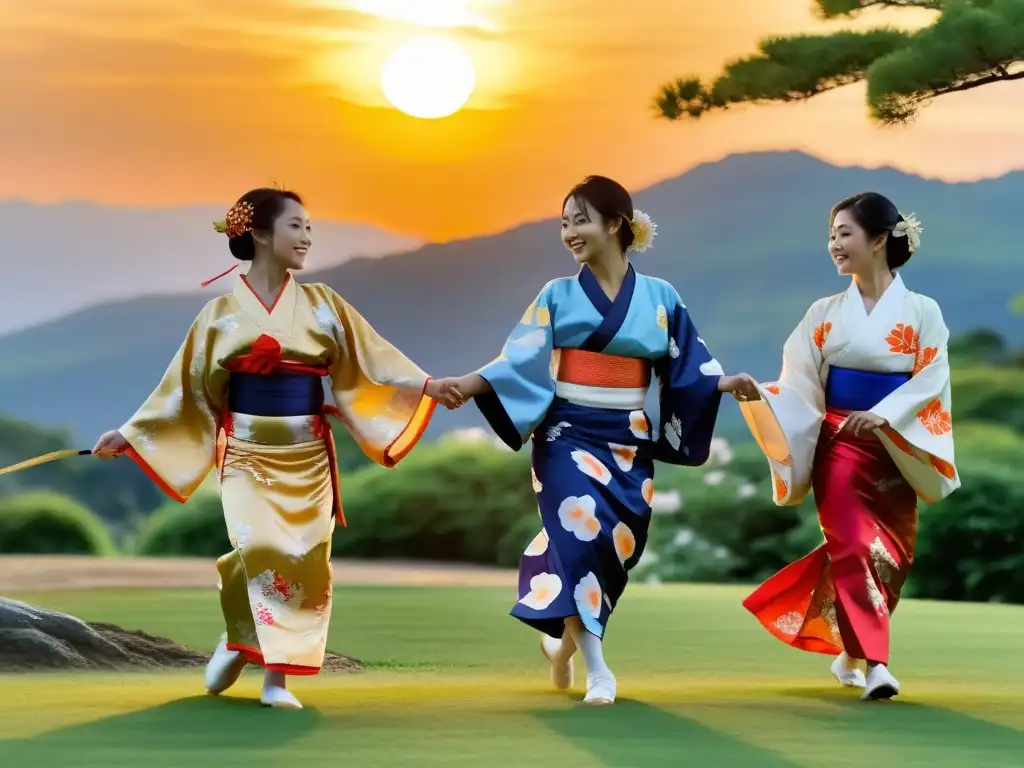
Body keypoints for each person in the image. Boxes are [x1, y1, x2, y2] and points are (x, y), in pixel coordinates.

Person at [91, 188, 463, 709]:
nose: (307, 236)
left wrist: (425, 384)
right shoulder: (219, 314)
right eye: (296, 226)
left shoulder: (324, 304)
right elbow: (182, 387)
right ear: (260, 234)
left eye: (311, 226)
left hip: (307, 453)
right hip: (245, 453)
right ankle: (247, 645)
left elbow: (372, 358)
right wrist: (130, 433)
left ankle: (271, 676)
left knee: (307, 559)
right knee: (262, 549)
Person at [447, 175, 758, 705]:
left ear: (615, 224)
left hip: (628, 439)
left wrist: (723, 383)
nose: (569, 232)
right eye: (564, 223)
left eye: (580, 220)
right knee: (581, 533)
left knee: (612, 550)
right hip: (567, 431)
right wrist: (471, 383)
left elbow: (689, 363)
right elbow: (519, 358)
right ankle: (598, 668)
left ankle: (561, 649)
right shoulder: (557, 295)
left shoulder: (661, 296)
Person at [736, 191, 959, 701]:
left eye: (845, 234)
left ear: (879, 240)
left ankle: (849, 654)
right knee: (857, 546)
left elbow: (932, 379)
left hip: (896, 445)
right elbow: (799, 382)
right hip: (839, 444)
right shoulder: (824, 312)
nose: (834, 244)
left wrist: (883, 415)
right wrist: (765, 398)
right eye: (831, 235)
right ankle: (878, 663)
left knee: (889, 557)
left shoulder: (923, 311)